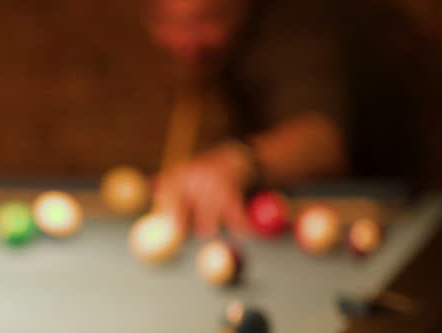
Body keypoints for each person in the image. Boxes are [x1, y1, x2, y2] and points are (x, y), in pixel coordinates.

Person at [142, 0, 348, 237]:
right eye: (167, 20)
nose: (185, 42)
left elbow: (322, 142)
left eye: (208, 18)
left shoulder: (297, 26)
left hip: (382, 199)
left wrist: (237, 161)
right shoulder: (208, 51)